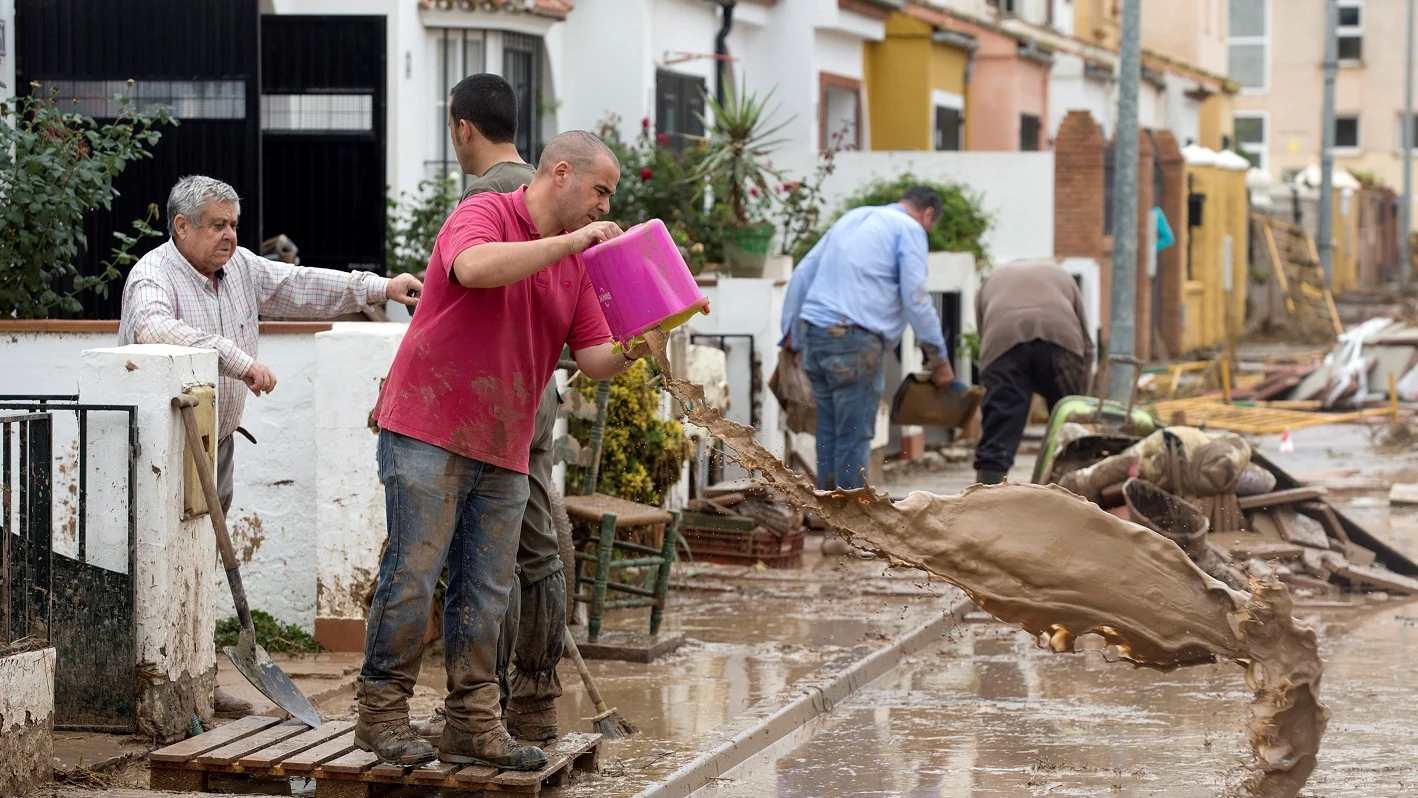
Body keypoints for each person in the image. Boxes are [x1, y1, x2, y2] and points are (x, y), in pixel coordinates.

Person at [359, 130, 646, 771]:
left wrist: (643, 336)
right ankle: (380, 716)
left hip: (504, 440)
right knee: (413, 576)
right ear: (562, 173)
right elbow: (472, 268)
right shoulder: (485, 212)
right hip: (429, 424)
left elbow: (595, 359)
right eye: (600, 191)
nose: (605, 207)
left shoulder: (577, 264)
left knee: (487, 589)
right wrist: (572, 243)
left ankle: (471, 721)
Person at [118, 174, 422, 718]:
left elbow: (301, 285)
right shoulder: (152, 277)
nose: (230, 236)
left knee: (202, 560)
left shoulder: (239, 269)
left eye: (234, 225)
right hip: (159, 452)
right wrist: (239, 360)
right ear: (182, 227)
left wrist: (380, 288)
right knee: (160, 561)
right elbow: (152, 329)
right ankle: (152, 678)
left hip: (218, 440)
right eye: (217, 226)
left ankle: (197, 674)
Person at [406, 73, 566, 747]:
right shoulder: (553, 191)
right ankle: (536, 699)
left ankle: (485, 708)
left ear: (460, 127)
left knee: (484, 559)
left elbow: (468, 283)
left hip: (487, 400)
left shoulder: (485, 196)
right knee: (537, 550)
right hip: (535, 393)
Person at [780, 187, 955, 493]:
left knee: (829, 431)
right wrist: (939, 359)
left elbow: (803, 273)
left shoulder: (852, 218)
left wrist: (791, 335)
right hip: (853, 340)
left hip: (814, 335)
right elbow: (916, 298)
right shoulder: (910, 229)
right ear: (927, 214)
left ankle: (833, 517)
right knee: (853, 433)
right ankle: (849, 524)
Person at [972, 259, 1094, 485]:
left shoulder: (988, 282)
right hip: (1062, 339)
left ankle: (987, 495)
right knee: (1071, 426)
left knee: (999, 427)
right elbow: (1087, 346)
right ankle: (1076, 489)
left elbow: (985, 337)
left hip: (1004, 341)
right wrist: (1079, 403)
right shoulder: (1062, 275)